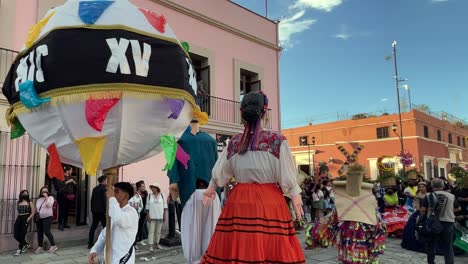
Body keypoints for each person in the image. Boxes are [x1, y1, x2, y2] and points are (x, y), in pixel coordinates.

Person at [201, 91, 305, 264]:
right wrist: (295, 194)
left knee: (239, 246)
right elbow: (287, 175)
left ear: (242, 113)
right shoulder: (277, 141)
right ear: (264, 112)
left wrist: (211, 188)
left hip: (239, 202)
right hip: (269, 202)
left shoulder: (234, 142)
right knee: (271, 248)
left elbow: (221, 172)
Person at [305, 164, 387, 263]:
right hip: (356, 237)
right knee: (359, 257)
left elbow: (330, 220)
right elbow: (378, 222)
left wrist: (315, 233)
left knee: (351, 257)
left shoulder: (361, 198)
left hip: (352, 237)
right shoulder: (368, 197)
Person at [167, 117, 218, 210]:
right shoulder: (211, 141)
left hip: (187, 190)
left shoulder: (178, 140)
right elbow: (217, 170)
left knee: (188, 221)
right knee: (207, 222)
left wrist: (173, 181)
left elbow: (172, 169)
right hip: (209, 192)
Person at [89, 182, 138, 264]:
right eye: (113, 191)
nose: (113, 194)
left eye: (117, 191)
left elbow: (120, 219)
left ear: (125, 196)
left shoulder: (131, 212)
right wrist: (95, 250)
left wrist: (112, 198)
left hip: (123, 258)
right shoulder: (114, 211)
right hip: (109, 258)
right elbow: (105, 234)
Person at [421, 178, 461, 264]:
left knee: (432, 245)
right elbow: (458, 208)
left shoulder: (428, 196)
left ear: (431, 186)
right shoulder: (451, 196)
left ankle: (431, 262)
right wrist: (448, 211)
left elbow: (423, 210)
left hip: (432, 223)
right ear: (443, 186)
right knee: (448, 247)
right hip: (448, 223)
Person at [401, 181, 428, 252]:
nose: (421, 188)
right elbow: (417, 206)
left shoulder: (429, 195)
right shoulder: (417, 196)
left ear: (426, 188)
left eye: (423, 187)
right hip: (419, 212)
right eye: (420, 187)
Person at [35, 186, 57, 253]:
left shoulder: (51, 198)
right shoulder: (39, 199)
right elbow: (37, 208)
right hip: (39, 218)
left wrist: (46, 197)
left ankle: (53, 245)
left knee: (46, 231)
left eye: (45, 191)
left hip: (47, 217)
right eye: (43, 191)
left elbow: (49, 205)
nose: (44, 192)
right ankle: (40, 247)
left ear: (48, 192)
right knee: (39, 232)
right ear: (41, 192)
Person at [146, 182, 167, 251]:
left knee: (158, 231)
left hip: (160, 216)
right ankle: (150, 246)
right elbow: (147, 207)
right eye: (152, 188)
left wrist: (164, 215)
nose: (152, 189)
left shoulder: (162, 195)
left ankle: (157, 244)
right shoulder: (149, 196)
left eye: (154, 188)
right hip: (152, 216)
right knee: (151, 231)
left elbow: (164, 207)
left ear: (157, 188)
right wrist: (148, 216)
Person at [55, 165, 77, 231]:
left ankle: (65, 223)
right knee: (62, 211)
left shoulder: (71, 177)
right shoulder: (60, 177)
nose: (72, 171)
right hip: (62, 196)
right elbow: (59, 188)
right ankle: (60, 224)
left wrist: (74, 183)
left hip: (69, 197)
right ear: (67, 170)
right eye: (71, 170)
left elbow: (76, 186)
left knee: (67, 210)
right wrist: (68, 181)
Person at [13, 190, 35, 256]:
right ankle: (26, 244)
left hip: (26, 218)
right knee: (16, 235)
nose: (25, 195)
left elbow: (33, 212)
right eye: (23, 193)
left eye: (26, 193)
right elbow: (18, 212)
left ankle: (19, 250)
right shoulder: (18, 202)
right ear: (21, 194)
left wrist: (28, 219)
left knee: (22, 235)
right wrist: (17, 220)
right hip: (19, 218)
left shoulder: (30, 203)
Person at [88, 175, 107, 249]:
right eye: (106, 180)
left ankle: (90, 243)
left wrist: (92, 209)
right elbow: (104, 201)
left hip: (95, 211)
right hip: (102, 211)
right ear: (104, 180)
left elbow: (92, 199)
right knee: (105, 227)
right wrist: (106, 210)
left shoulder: (95, 189)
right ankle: (105, 243)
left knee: (93, 227)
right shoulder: (104, 189)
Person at [129, 183, 143, 250]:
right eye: (133, 187)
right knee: (129, 231)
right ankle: (129, 245)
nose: (134, 188)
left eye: (135, 187)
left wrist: (138, 209)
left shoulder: (138, 196)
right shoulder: (128, 196)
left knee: (135, 230)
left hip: (136, 215)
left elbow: (141, 206)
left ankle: (135, 244)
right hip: (129, 216)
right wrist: (132, 207)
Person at [135, 181, 148, 246]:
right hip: (136, 213)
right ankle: (135, 241)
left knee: (141, 226)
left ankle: (140, 239)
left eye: (144, 186)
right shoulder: (135, 194)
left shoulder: (145, 193)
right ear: (138, 187)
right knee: (135, 227)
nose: (144, 187)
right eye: (142, 186)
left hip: (143, 213)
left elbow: (147, 203)